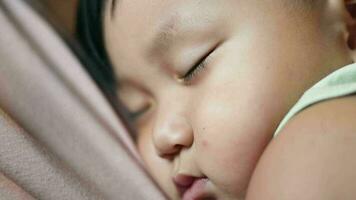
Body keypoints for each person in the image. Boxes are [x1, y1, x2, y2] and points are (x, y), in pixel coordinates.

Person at [76, 0, 356, 199]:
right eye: (139, 110)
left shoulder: (309, 152)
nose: (162, 136)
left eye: (193, 64)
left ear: (350, 20)